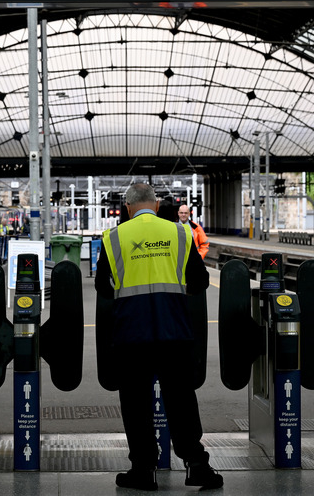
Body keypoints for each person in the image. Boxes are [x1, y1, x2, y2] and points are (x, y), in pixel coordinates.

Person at [95, 183, 223, 491]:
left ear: (127, 208)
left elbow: (103, 287)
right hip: (174, 331)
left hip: (131, 333)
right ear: (154, 205)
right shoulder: (178, 233)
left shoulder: (114, 238)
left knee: (136, 403)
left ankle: (143, 470)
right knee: (180, 400)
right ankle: (197, 466)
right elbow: (200, 281)